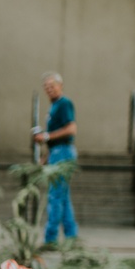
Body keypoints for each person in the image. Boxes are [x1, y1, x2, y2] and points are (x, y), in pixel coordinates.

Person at [34, 72, 78, 244]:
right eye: (46, 87)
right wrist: (46, 155)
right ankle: (71, 237)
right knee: (63, 197)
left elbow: (71, 129)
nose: (49, 89)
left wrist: (46, 137)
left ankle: (50, 238)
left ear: (60, 85)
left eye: (52, 86)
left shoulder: (64, 103)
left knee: (55, 196)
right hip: (56, 152)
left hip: (63, 152)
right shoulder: (53, 107)